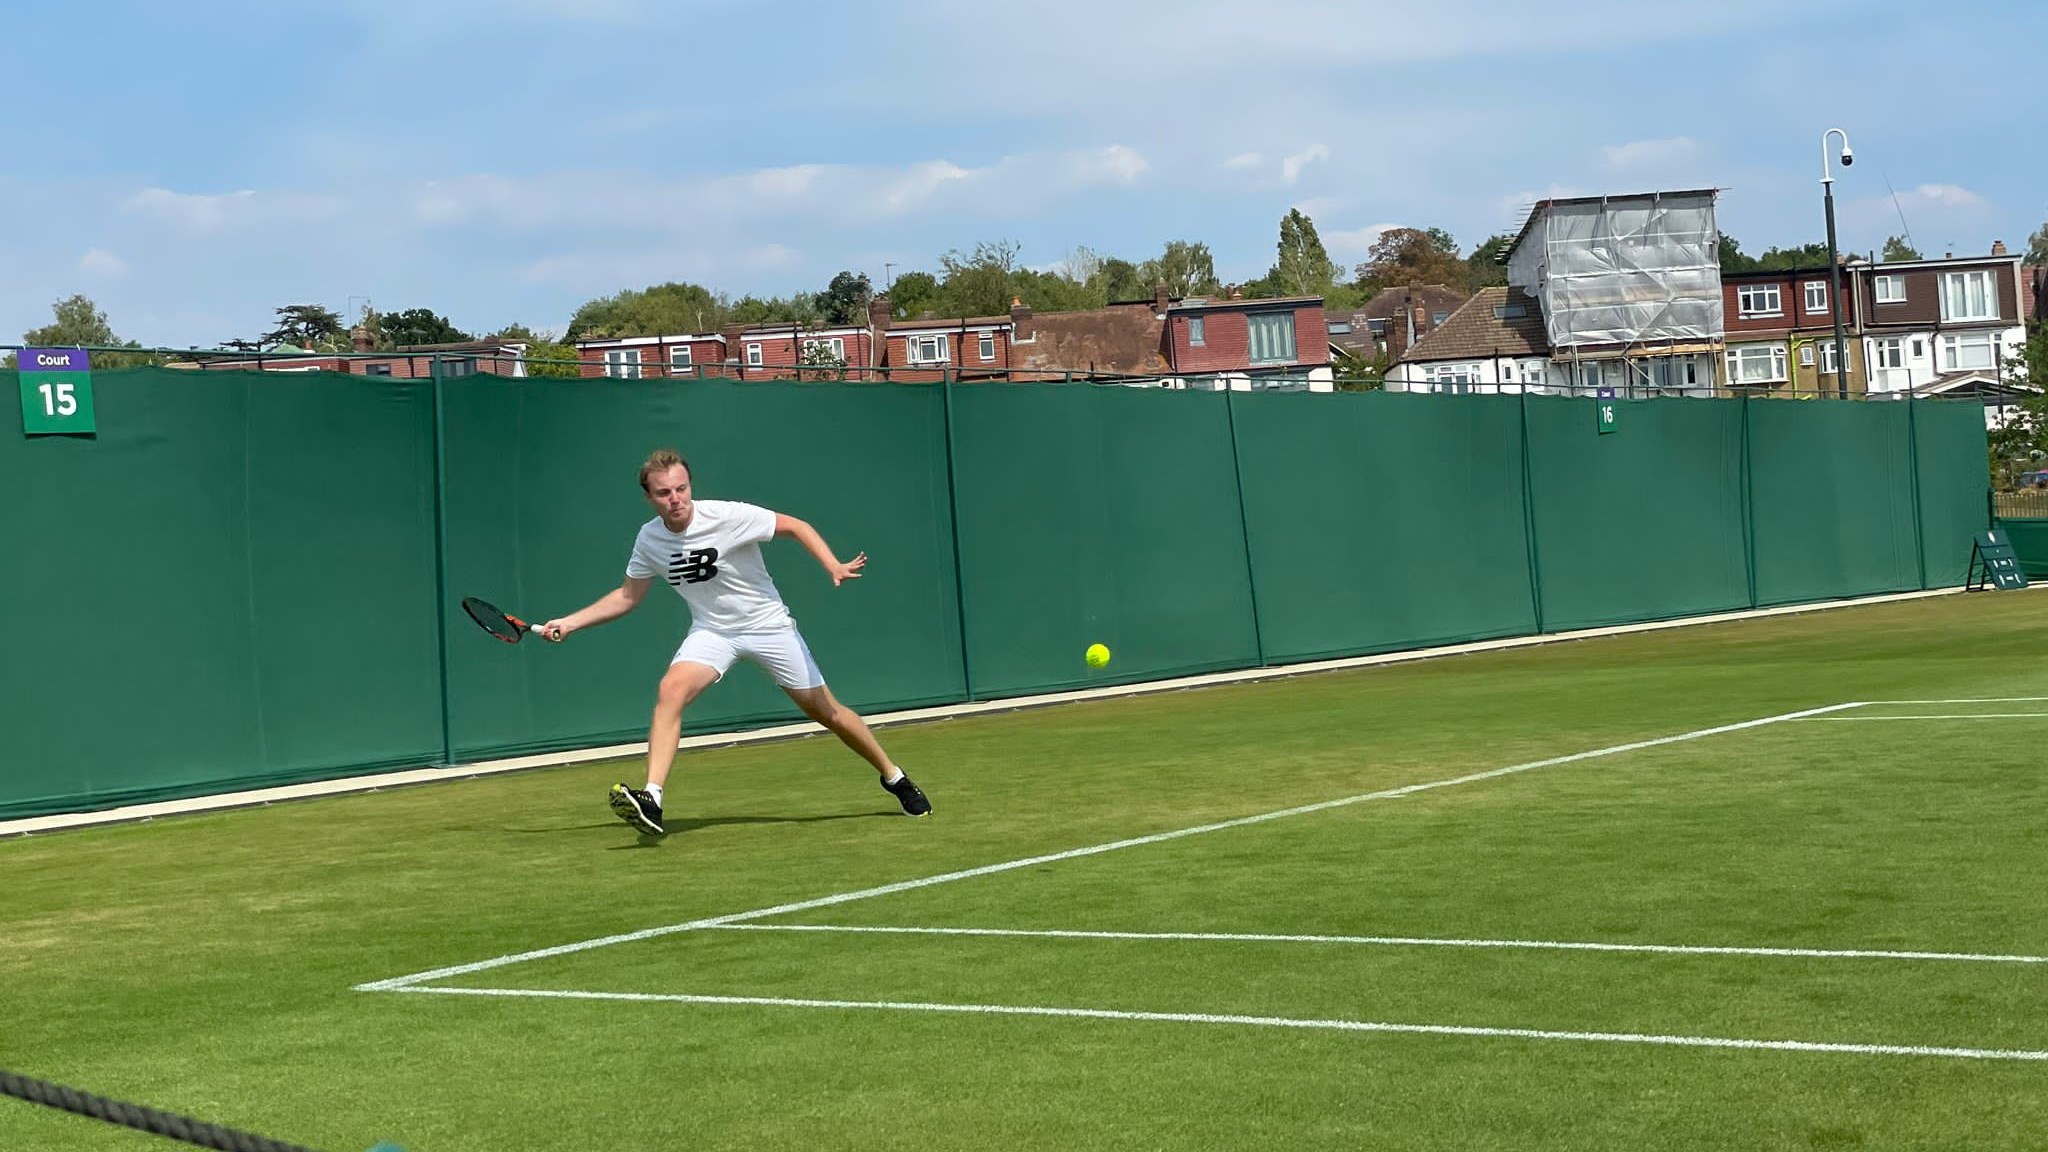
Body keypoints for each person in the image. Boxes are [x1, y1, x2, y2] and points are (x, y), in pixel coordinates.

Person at [537, 448, 931, 835]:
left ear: (690, 486)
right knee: (670, 690)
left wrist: (831, 563)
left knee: (826, 712)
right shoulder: (649, 539)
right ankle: (653, 799)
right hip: (712, 631)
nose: (675, 499)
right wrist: (571, 623)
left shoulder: (728, 515)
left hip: (768, 626)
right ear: (649, 497)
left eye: (681, 489)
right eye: (664, 493)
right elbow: (627, 596)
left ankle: (893, 776)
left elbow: (795, 526)